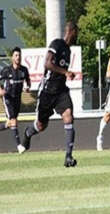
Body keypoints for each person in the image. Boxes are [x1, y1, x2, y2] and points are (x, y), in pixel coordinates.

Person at [21, 22, 78, 167]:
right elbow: (47, 63)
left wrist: (67, 75)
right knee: (41, 126)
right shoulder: (57, 43)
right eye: (76, 33)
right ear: (71, 31)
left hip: (60, 91)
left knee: (68, 116)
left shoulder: (68, 51)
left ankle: (68, 157)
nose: (77, 36)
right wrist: (66, 72)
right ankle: (28, 133)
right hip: (47, 91)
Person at [0, 47, 31, 153]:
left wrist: (27, 88)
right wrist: (1, 90)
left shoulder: (24, 70)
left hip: (17, 99)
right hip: (8, 98)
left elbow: (28, 81)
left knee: (10, 123)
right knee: (13, 120)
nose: (18, 57)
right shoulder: (6, 70)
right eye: (16, 55)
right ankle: (19, 146)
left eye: (19, 55)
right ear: (12, 57)